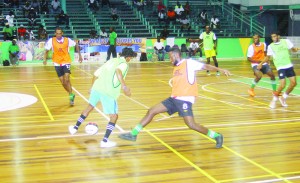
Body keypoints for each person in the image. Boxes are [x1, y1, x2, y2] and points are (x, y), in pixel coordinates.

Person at [119, 46, 230, 149]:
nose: (170, 59)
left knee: (191, 124)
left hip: (185, 100)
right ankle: (133, 134)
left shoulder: (188, 63)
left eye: (171, 57)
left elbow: (205, 66)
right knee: (152, 110)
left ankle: (216, 135)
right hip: (174, 99)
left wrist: (220, 69)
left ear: (176, 55)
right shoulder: (176, 67)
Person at [68, 48, 137, 148]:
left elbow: (96, 74)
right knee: (114, 116)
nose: (130, 59)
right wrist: (124, 86)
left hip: (97, 87)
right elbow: (118, 71)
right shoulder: (124, 64)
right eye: (131, 58)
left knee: (89, 107)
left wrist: (92, 87)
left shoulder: (111, 60)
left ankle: (74, 128)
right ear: (128, 57)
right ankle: (105, 141)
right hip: (108, 92)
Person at [43, 27, 83, 105]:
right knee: (63, 82)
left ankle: (71, 97)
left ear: (62, 33)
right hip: (57, 62)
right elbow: (46, 50)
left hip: (66, 61)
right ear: (55, 34)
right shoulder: (51, 40)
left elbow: (76, 45)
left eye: (60, 33)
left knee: (67, 79)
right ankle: (71, 94)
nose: (58, 35)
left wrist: (80, 55)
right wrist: (45, 59)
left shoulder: (67, 40)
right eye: (57, 33)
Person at [266, 32, 300, 108]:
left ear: (278, 36)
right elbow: (268, 57)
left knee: (294, 83)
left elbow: (293, 50)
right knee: (282, 85)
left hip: (288, 65)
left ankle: (283, 97)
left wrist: (295, 49)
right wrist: (261, 63)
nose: (273, 38)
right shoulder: (271, 46)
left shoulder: (286, 41)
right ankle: (274, 100)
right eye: (272, 37)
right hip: (280, 66)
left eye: (275, 36)